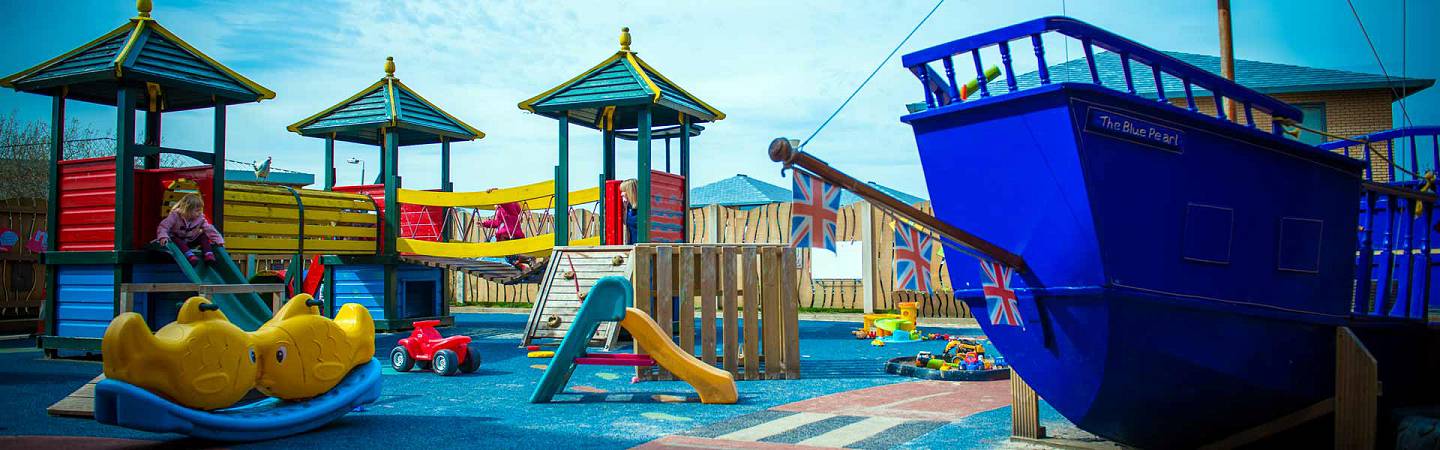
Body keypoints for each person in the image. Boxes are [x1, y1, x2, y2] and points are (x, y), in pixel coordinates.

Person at [155, 193, 224, 264]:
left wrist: (219, 241)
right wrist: (163, 237)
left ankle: (208, 254)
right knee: (173, 238)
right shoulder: (175, 216)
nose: (200, 212)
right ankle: (189, 255)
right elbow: (164, 226)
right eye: (197, 210)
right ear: (187, 209)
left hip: (191, 240)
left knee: (203, 235)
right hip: (178, 240)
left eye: (201, 210)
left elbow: (209, 229)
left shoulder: (200, 218)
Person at [480, 191, 533, 271]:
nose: (494, 205)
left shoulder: (509, 210)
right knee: (509, 258)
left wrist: (497, 194)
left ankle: (528, 260)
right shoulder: (501, 212)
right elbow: (497, 222)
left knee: (511, 256)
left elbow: (506, 204)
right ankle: (525, 268)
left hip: (510, 235)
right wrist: (484, 224)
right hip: (506, 236)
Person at [618, 179, 639, 244]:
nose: (621, 194)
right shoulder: (628, 209)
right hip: (630, 246)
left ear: (631, 192)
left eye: (624, 191)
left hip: (640, 246)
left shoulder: (641, 210)